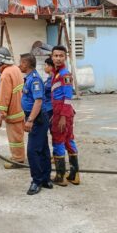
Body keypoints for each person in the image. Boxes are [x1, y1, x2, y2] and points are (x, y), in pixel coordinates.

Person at [21, 56, 53, 196]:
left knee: (32, 151)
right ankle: (45, 178)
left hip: (37, 118)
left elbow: (38, 101)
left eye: (21, 62)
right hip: (35, 117)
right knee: (43, 149)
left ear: (26, 64)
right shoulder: (29, 78)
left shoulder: (34, 79)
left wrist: (30, 120)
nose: (19, 65)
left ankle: (37, 181)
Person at [50, 45, 80, 186]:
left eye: (61, 56)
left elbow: (68, 97)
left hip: (62, 114)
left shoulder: (64, 74)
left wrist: (62, 117)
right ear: (52, 57)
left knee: (58, 142)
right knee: (69, 141)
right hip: (62, 113)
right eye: (55, 56)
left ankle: (60, 176)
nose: (58, 58)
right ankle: (74, 175)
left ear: (65, 57)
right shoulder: (56, 73)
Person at [0, 46, 26, 169]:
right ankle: (19, 156)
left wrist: (1, 113)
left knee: (14, 138)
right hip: (20, 109)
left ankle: (17, 159)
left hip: (13, 112)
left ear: (1, 61)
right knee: (18, 136)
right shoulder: (15, 69)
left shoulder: (6, 74)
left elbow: (4, 96)